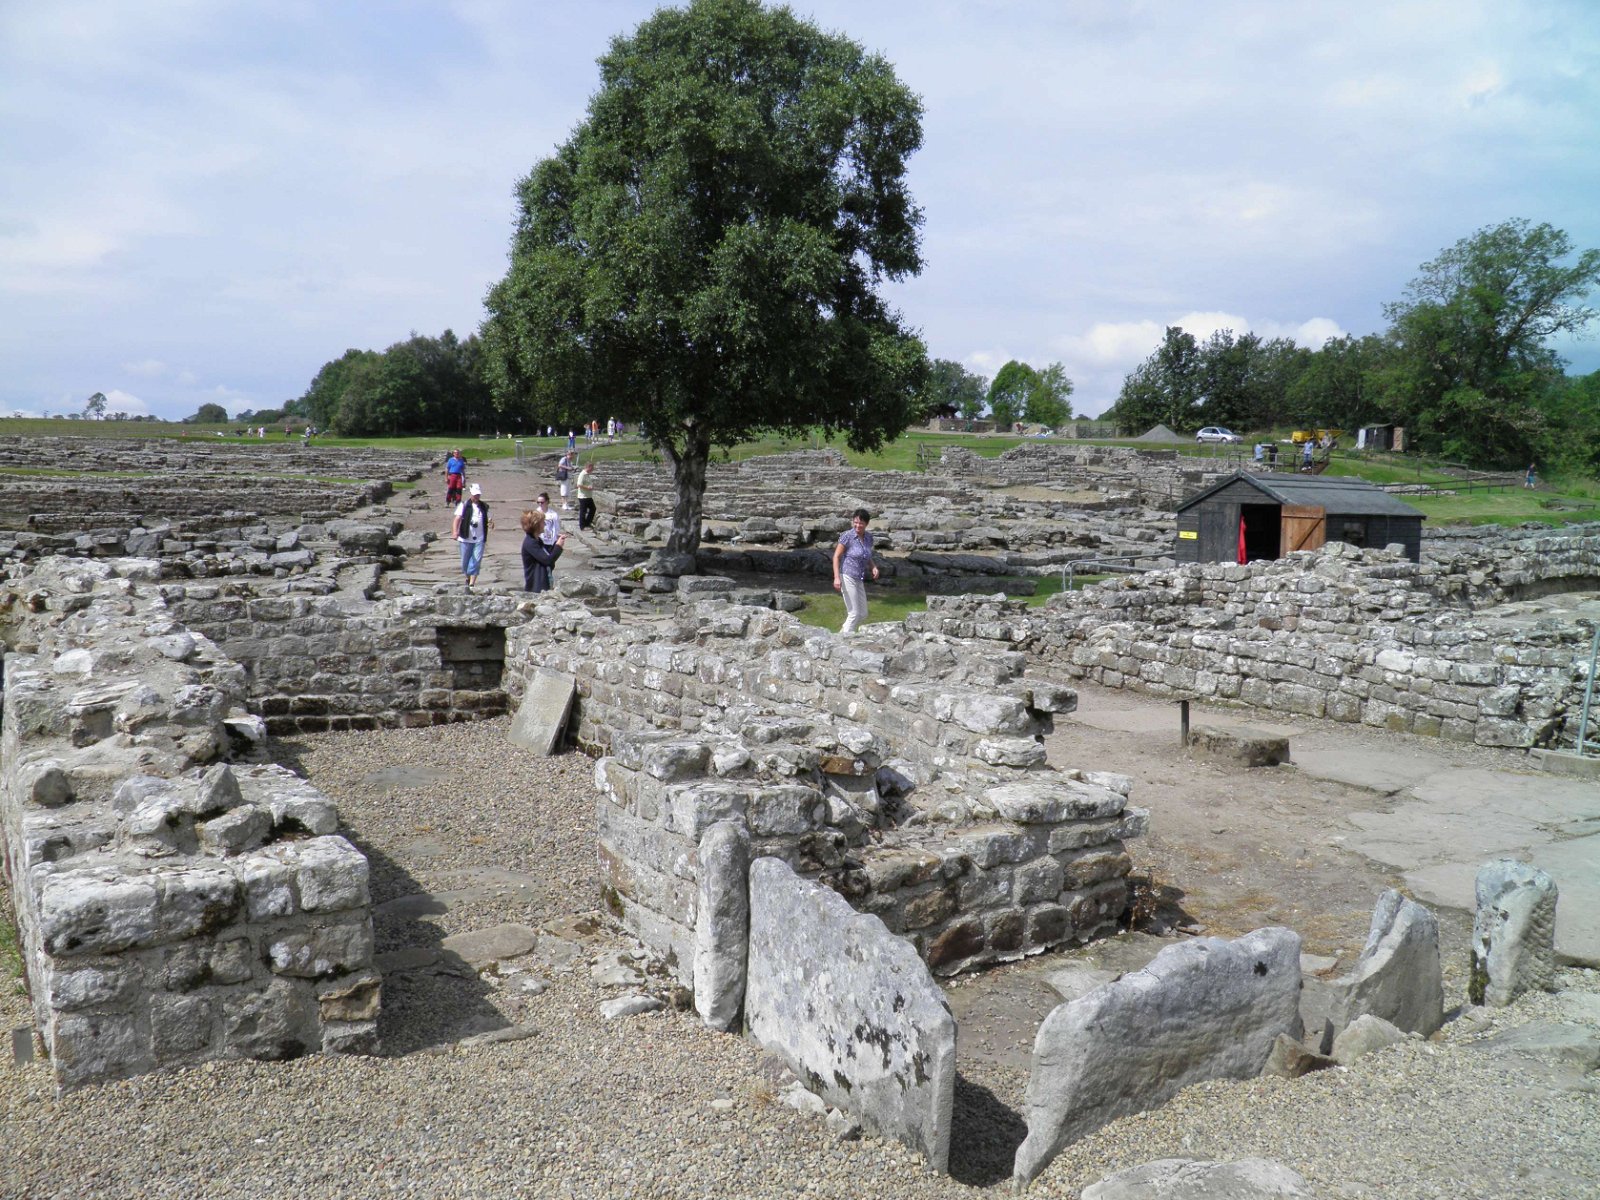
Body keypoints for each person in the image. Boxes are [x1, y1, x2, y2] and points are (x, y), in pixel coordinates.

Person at [832, 508, 880, 634]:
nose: (858, 525)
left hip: (859, 577)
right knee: (854, 613)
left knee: (863, 613)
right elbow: (836, 556)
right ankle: (844, 639)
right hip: (847, 575)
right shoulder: (847, 536)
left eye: (861, 523)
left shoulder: (869, 537)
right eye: (856, 522)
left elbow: (866, 555)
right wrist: (836, 578)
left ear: (867, 524)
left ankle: (843, 632)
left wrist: (873, 567)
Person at [452, 482, 492, 590]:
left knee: (476, 561)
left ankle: (472, 584)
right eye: (475, 495)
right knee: (465, 563)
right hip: (465, 538)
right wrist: (455, 532)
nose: (477, 497)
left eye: (478, 495)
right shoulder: (464, 505)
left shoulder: (484, 506)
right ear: (471, 494)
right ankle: (468, 577)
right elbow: (457, 519)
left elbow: (490, 519)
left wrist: (491, 523)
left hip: (479, 538)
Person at [520, 509, 565, 592]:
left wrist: (556, 543)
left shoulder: (537, 540)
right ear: (536, 525)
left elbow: (547, 554)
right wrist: (558, 546)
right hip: (535, 587)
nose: (545, 524)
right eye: (542, 522)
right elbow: (547, 560)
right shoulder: (530, 543)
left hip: (543, 583)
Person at [575, 460, 596, 530]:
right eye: (592, 468)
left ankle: (587, 523)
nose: (592, 469)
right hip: (583, 496)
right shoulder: (582, 474)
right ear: (588, 467)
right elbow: (579, 485)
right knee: (583, 511)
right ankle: (582, 526)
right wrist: (587, 488)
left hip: (588, 496)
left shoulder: (587, 474)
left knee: (593, 509)